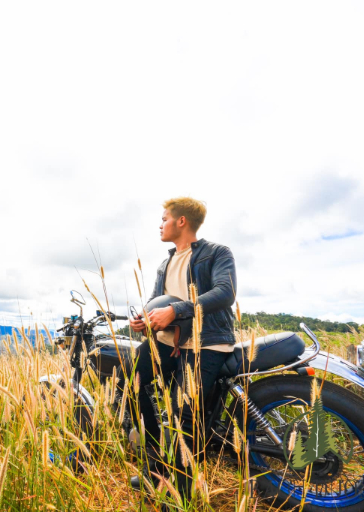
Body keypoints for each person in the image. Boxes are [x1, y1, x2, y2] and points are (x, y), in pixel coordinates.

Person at [128, 197, 237, 500]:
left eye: (164, 219)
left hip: (206, 343)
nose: (160, 224)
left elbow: (225, 292)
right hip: (166, 342)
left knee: (184, 415)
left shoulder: (216, 253)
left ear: (181, 221)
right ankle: (157, 464)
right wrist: (144, 320)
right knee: (131, 382)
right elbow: (154, 301)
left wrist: (176, 310)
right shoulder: (165, 264)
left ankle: (180, 494)